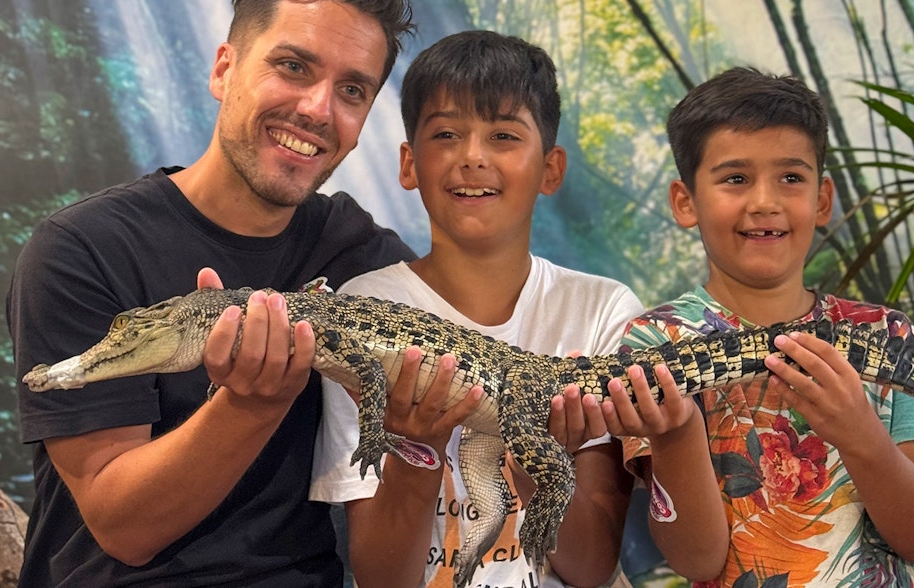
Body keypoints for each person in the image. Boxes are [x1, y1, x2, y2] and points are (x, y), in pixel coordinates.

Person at [7, 0, 426, 587]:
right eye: (292, 66)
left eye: (351, 90)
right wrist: (250, 403)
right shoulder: (81, 247)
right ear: (225, 69)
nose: (317, 110)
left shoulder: (359, 251)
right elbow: (125, 528)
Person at [309, 30, 728, 587]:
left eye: (504, 135)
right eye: (447, 134)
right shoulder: (362, 308)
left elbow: (590, 566)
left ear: (550, 169)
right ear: (409, 164)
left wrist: (543, 465)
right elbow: (383, 578)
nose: (473, 157)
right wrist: (418, 447)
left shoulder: (602, 310)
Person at [606, 66, 914, 586]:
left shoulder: (884, 333)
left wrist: (861, 434)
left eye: (791, 177)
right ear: (685, 201)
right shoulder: (655, 343)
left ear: (821, 199)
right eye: (735, 178)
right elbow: (696, 560)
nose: (765, 201)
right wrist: (678, 432)